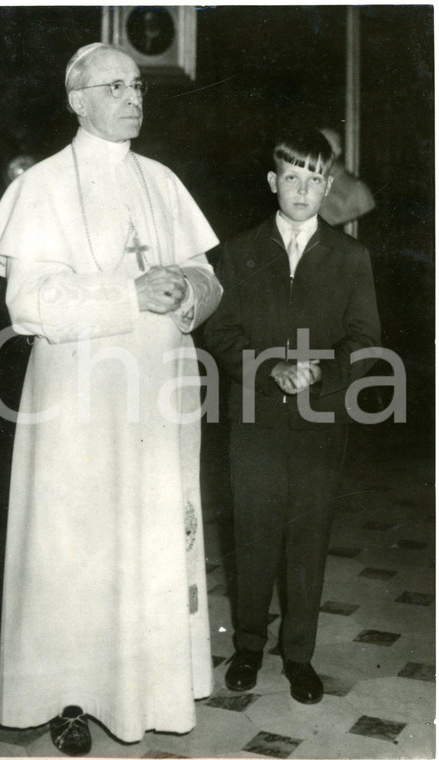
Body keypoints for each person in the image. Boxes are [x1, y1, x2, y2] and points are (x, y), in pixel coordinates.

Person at [0, 42, 222, 756]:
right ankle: (70, 698)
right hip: (79, 406)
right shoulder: (42, 188)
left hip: (157, 396)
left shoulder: (162, 180)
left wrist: (187, 292)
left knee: (147, 541)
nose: (132, 96)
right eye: (114, 86)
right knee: (75, 551)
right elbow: (30, 303)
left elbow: (206, 273)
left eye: (137, 84)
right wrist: (129, 292)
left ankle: (149, 687)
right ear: (76, 100)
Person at [204, 127, 380, 704]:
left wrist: (321, 374)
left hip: (320, 420)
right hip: (254, 417)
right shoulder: (238, 250)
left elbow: (364, 339)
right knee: (253, 533)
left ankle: (298, 655)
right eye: (292, 178)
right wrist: (265, 371)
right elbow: (221, 331)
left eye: (314, 179)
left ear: (327, 185)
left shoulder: (351, 257)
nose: (303, 190)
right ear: (272, 182)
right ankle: (250, 645)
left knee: (307, 536)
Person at [318, 127, 376, 227]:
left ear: (338, 151)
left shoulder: (357, 188)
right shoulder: (308, 183)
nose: (318, 151)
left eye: (325, 145)